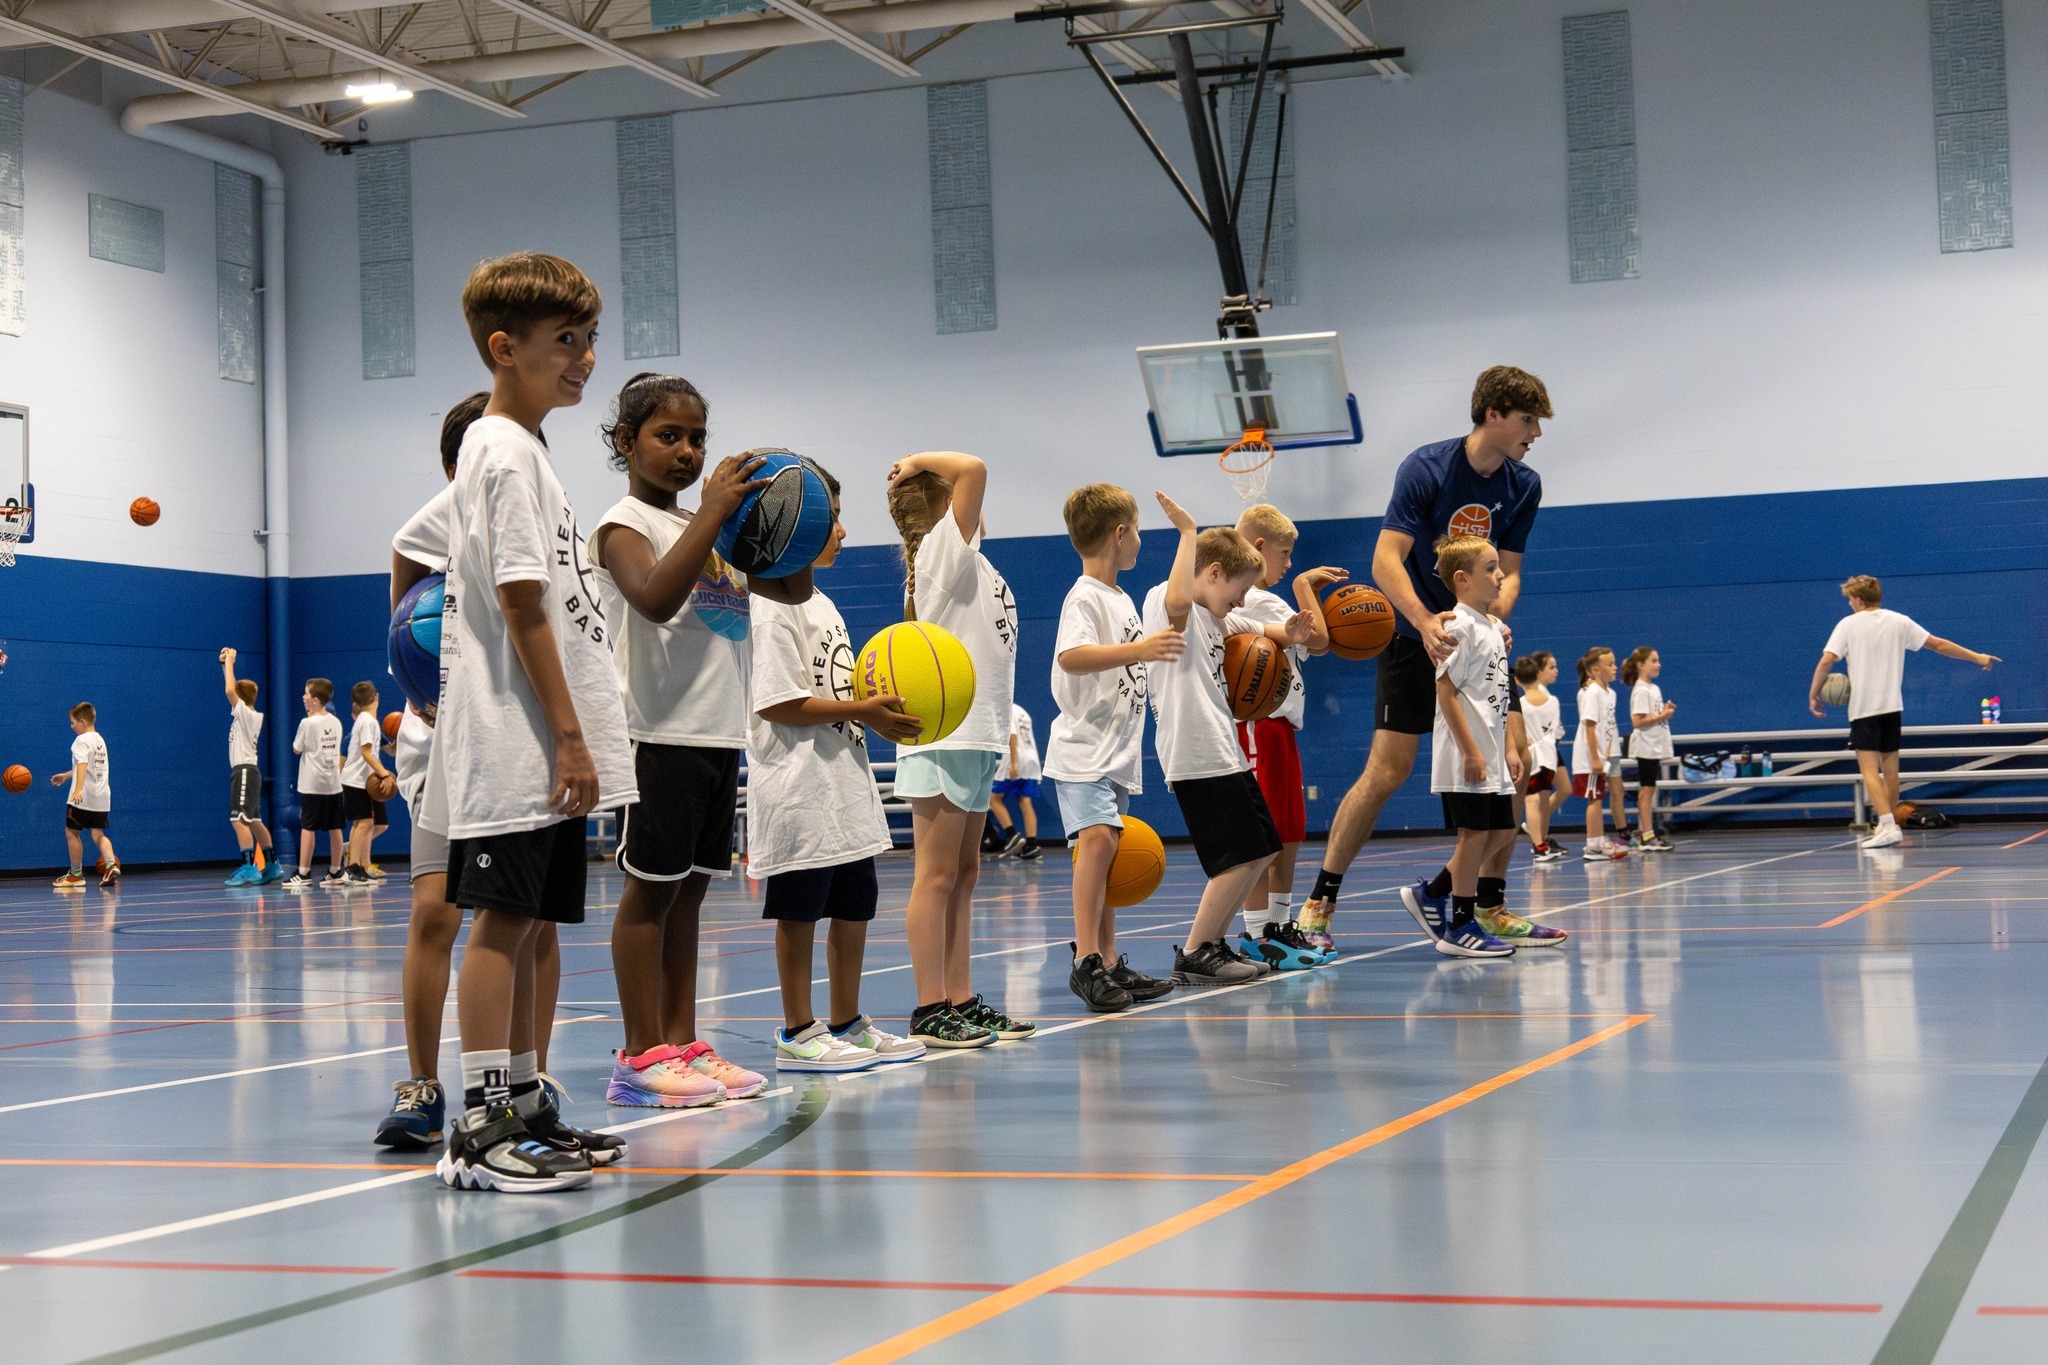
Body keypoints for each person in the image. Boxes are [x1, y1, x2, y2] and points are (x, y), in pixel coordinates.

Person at [430, 252, 637, 1193]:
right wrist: (565, 732)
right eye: (566, 342)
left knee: (527, 923)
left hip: (544, 740)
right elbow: (521, 601)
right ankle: (478, 1125)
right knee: (501, 922)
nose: (585, 358)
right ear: (503, 348)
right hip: (518, 740)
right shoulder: (502, 448)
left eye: (590, 340)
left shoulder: (526, 447)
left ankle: (520, 1102)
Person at [375, 391, 576, 1151]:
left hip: (514, 733)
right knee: (437, 910)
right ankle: (424, 1082)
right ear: (452, 463)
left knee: (535, 918)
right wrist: (412, 679)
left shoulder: (534, 498)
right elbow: (402, 545)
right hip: (448, 740)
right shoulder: (456, 504)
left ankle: (533, 1082)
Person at [1297, 367, 1551, 952]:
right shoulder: (1427, 468)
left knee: (1516, 762)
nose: (1535, 432)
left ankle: (1486, 904)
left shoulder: (1524, 484)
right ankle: (1321, 900)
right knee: (1386, 771)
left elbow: (1508, 571)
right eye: (1528, 419)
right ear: (1493, 413)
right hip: (1415, 637)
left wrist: (1491, 617)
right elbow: (1387, 559)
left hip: (1478, 640)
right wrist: (1424, 621)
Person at [588, 373, 768, 1108]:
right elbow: (657, 598)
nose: (687, 451)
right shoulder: (623, 524)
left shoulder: (709, 532)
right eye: (669, 436)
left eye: (697, 438)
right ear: (627, 443)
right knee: (649, 896)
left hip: (716, 733)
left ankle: (682, 1040)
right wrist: (714, 512)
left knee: (690, 897)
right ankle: (638, 1055)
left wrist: (762, 519)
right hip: (654, 732)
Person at [749, 461, 929, 1072]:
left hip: (843, 783)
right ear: (793, 528)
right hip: (798, 787)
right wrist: (864, 709)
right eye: (832, 521)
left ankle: (848, 1022)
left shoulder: (821, 602)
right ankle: (799, 1031)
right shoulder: (769, 607)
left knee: (855, 906)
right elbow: (778, 701)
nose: (844, 533)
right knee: (798, 912)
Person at [886, 450, 1031, 1048]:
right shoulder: (942, 552)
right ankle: (929, 1008)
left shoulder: (967, 560)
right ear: (945, 506)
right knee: (938, 875)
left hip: (979, 736)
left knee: (965, 874)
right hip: (946, 739)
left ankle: (959, 998)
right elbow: (975, 465)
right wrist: (917, 461)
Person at [1142, 494, 1311, 984]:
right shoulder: (1167, 602)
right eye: (1235, 592)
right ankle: (1195, 949)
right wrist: (1187, 532)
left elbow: (1265, 629)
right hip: (1195, 755)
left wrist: (1292, 632)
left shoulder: (1219, 618)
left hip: (1224, 752)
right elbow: (1179, 601)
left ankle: (1212, 942)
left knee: (1261, 848)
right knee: (1236, 857)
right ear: (1212, 573)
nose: (1239, 603)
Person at [1044, 483, 1183, 1013]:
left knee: (1107, 856)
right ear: (1119, 534)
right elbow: (1072, 656)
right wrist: (1141, 647)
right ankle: (1086, 961)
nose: (1142, 541)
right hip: (1083, 751)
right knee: (1097, 842)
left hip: (1114, 753)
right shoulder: (1084, 596)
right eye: (1139, 530)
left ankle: (1107, 959)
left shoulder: (1120, 597)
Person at [1399, 537, 1567, 955]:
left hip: (1492, 751)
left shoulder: (1491, 627)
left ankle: (1433, 892)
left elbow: (1496, 693)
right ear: (1462, 578)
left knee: (1503, 829)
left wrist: (1510, 747)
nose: (1501, 575)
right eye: (1491, 568)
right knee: (1474, 836)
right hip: (1465, 753)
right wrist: (1472, 751)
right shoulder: (1457, 626)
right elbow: (1446, 692)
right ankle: (1459, 927)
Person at [1231, 502, 1344, 969]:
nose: (1290, 563)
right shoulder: (1257, 599)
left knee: (1289, 832)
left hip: (1280, 726)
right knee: (1265, 835)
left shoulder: (1261, 600)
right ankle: (1259, 932)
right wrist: (1303, 588)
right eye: (1285, 553)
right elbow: (1319, 639)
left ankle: (1277, 926)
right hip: (1259, 724)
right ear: (1258, 549)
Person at [1810, 574, 1998, 850]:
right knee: (1891, 769)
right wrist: (1977, 656)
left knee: (1869, 770)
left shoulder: (1847, 625)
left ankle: (1886, 824)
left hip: (1864, 709)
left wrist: (1814, 694)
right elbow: (1938, 644)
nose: (1849, 603)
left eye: (1850, 598)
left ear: (1859, 599)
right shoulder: (1899, 621)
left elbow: (1827, 661)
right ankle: (1889, 825)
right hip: (1892, 708)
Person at [219, 647, 283, 886]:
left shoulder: (246, 713)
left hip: (244, 770)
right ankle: (272, 864)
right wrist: (224, 666)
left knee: (238, 820)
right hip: (247, 771)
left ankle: (249, 866)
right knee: (254, 820)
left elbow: (229, 689)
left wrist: (231, 663)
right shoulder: (244, 714)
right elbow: (231, 687)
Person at [283, 680, 346, 887]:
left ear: (316, 700)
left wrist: (307, 722)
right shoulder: (336, 722)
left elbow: (296, 749)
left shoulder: (307, 723)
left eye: (306, 694)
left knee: (308, 827)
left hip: (312, 784)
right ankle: (336, 871)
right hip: (333, 784)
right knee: (335, 827)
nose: (303, 697)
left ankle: (303, 873)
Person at [50, 702, 117, 890]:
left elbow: (81, 765)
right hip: (101, 797)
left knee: (72, 833)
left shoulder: (80, 740)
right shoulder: (99, 740)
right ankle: (111, 865)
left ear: (81, 721)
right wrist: (66, 776)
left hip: (82, 797)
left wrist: (78, 789)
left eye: (73, 723)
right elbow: (88, 766)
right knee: (98, 834)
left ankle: (76, 874)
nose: (71, 726)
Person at [1571, 648, 1628, 861]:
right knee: (1594, 799)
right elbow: (1589, 726)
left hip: (1602, 755)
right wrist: (1595, 757)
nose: (1615, 668)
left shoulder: (1605, 692)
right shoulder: (1592, 692)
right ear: (1595, 670)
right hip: (1589, 755)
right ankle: (1592, 844)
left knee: (1597, 797)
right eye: (1610, 664)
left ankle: (1597, 840)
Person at [1514, 653, 1569, 862]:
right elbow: (1553, 730)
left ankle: (1539, 844)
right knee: (1542, 797)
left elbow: (1517, 731)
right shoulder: (1552, 700)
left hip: (1532, 755)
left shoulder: (1520, 703)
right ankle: (1540, 843)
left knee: (1533, 799)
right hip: (1548, 754)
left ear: (1517, 680)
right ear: (1538, 673)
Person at [1624, 647, 1676, 851]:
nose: (1658, 664)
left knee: (1650, 787)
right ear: (1641, 665)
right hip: (1645, 745)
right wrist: (1663, 716)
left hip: (1655, 744)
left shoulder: (1653, 688)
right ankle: (1647, 835)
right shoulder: (1641, 690)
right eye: (1654, 661)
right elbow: (1638, 721)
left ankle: (1647, 833)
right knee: (1646, 790)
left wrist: (1663, 712)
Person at [340, 681, 391, 885]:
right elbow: (367, 753)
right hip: (357, 780)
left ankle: (359, 866)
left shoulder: (363, 719)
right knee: (365, 823)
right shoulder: (369, 721)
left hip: (355, 779)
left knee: (363, 824)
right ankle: (353, 868)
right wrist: (384, 774)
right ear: (376, 697)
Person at [988, 703, 1043, 862]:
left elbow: (1012, 734)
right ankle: (1032, 845)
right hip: (1031, 758)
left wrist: (1014, 763)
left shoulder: (1006, 709)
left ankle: (1011, 834)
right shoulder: (1022, 711)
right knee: (1025, 801)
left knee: (994, 798)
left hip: (1017, 758)